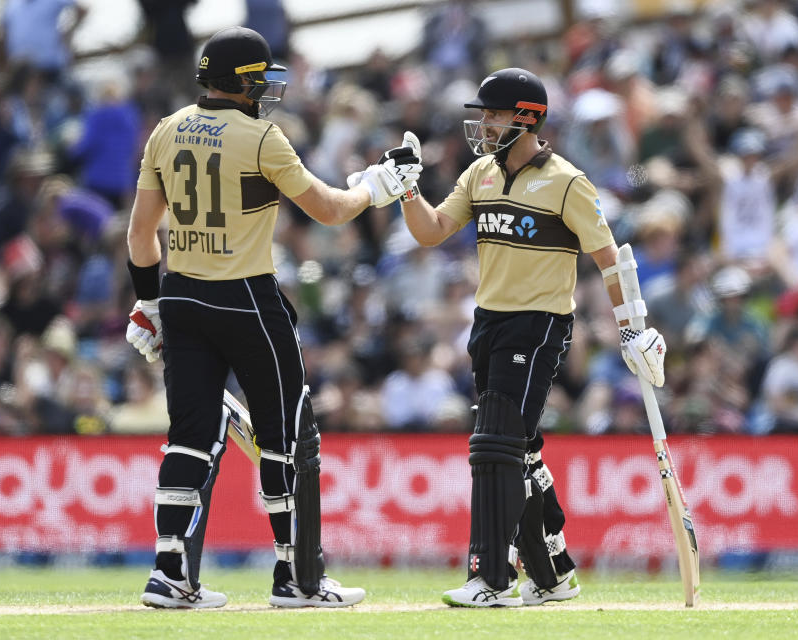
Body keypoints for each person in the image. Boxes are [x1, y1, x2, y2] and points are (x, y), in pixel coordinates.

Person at [124, 27, 419, 609]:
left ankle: (170, 575)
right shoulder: (262, 137)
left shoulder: (167, 129)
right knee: (286, 438)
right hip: (246, 298)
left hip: (181, 297)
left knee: (189, 439)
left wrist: (149, 302)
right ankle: (299, 579)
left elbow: (140, 235)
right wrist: (377, 187)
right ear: (240, 82)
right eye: (259, 79)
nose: (265, 89)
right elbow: (331, 211)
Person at [379, 68, 666, 606]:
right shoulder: (479, 174)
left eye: (491, 114)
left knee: (496, 443)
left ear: (526, 117)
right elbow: (433, 231)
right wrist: (407, 190)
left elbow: (610, 262)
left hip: (539, 325)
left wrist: (635, 332)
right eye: (482, 114)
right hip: (488, 322)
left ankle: (491, 578)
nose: (482, 124)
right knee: (521, 452)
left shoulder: (568, 181)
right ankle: (553, 572)